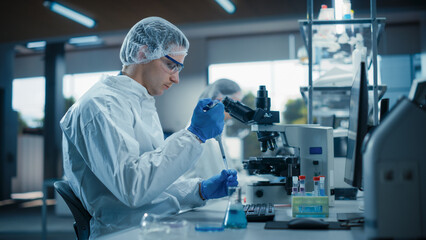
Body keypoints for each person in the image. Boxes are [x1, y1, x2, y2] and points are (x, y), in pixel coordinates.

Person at [59, 17, 238, 239]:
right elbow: (133, 187)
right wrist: (194, 135)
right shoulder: (101, 105)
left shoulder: (139, 102)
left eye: (179, 68)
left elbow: (154, 181)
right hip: (125, 232)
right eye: (171, 65)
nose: (176, 78)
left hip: (152, 224)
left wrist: (199, 190)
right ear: (143, 53)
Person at [181, 79, 264, 192]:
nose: (239, 108)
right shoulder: (204, 134)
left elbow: (228, 174)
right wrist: (256, 182)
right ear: (220, 100)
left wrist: (254, 181)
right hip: (202, 203)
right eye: (237, 102)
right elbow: (217, 178)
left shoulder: (215, 131)